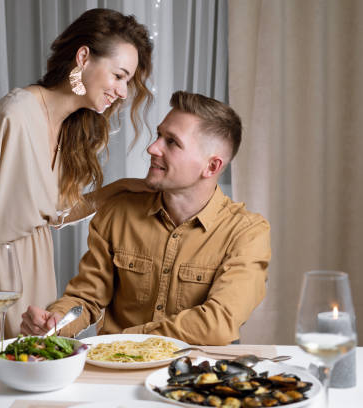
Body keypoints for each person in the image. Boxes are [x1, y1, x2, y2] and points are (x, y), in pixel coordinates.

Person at [0, 8, 155, 339]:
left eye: (127, 81)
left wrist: (122, 188)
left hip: (35, 267)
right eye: (119, 76)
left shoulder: (74, 128)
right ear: (83, 57)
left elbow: (54, 214)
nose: (124, 92)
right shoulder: (12, 115)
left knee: (33, 374)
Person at [20, 91, 271, 346]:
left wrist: (125, 339)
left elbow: (218, 323)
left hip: (194, 377)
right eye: (159, 135)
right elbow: (86, 299)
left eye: (172, 142)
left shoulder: (247, 233)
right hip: (117, 369)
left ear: (211, 167)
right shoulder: (119, 211)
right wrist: (56, 321)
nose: (152, 148)